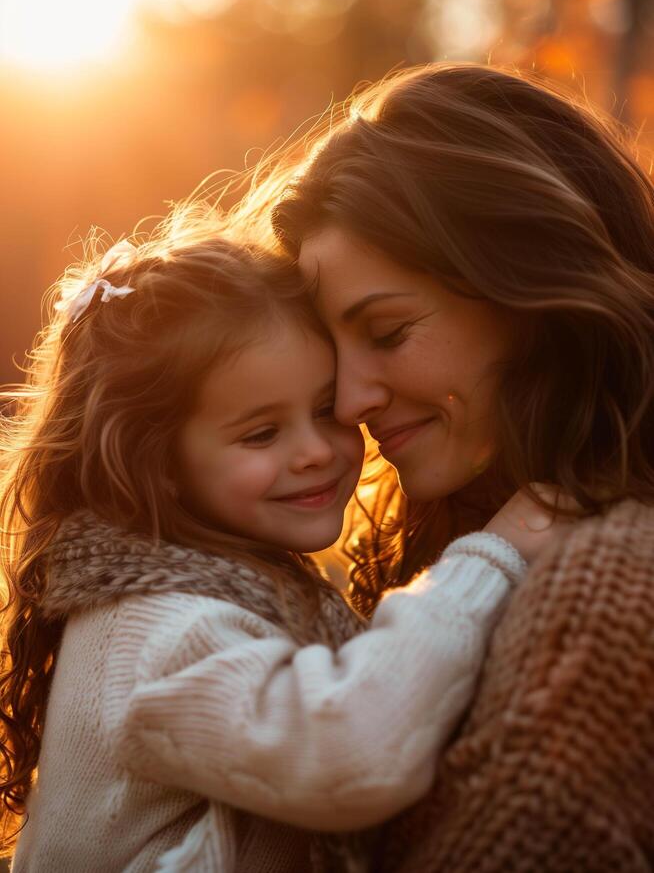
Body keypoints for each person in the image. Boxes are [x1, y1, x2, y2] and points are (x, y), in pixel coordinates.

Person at [0, 212, 554, 872]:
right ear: (161, 468)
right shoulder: (159, 634)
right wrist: (489, 561)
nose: (317, 451)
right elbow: (355, 752)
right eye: (262, 434)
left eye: (325, 410)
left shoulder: (234, 587)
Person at [271, 63, 654, 868]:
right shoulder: (465, 544)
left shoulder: (607, 592)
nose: (349, 402)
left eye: (386, 332)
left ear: (527, 288)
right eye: (327, 351)